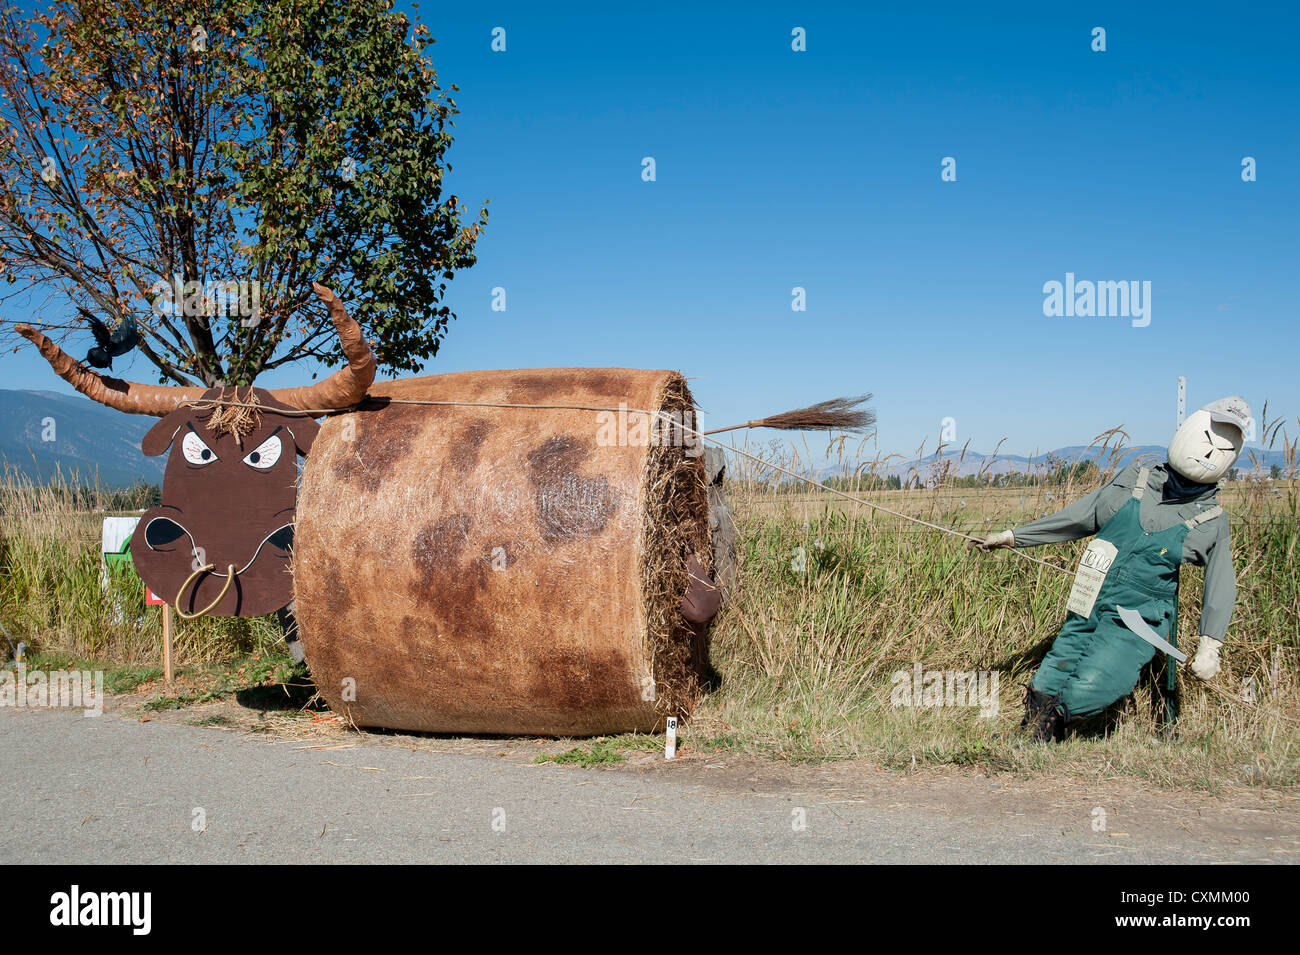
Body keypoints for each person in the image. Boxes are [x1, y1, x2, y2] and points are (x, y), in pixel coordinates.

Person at [974, 397, 1248, 742]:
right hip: (1091, 593)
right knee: (1057, 665)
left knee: (1102, 675)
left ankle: (1048, 730)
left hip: (1140, 615)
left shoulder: (1211, 520)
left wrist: (1211, 645)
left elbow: (1221, 584)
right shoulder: (1135, 479)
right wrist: (1014, 537)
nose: (1209, 454)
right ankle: (1032, 732)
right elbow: (1080, 515)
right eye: (1207, 439)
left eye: (1223, 447)